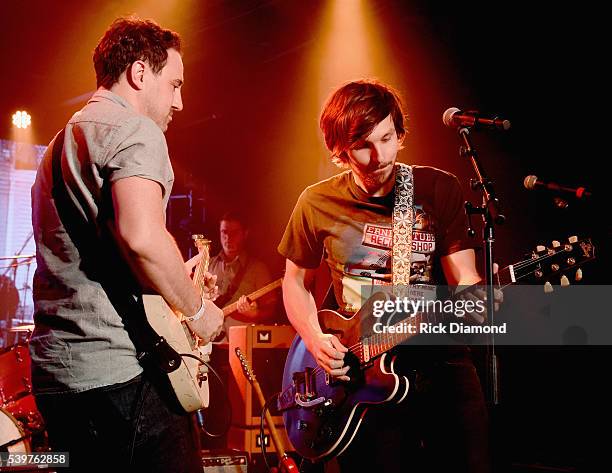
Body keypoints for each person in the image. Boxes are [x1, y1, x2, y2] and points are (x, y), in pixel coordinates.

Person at [30, 17, 224, 472]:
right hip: (122, 375)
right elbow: (141, 237)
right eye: (174, 84)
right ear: (139, 73)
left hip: (57, 378)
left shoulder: (59, 144)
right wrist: (197, 311)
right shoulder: (136, 130)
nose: (180, 101)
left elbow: (99, 251)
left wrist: (172, 276)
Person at [278, 79, 501, 472]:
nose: (378, 155)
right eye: (362, 145)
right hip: (359, 372)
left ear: (399, 133)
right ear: (340, 150)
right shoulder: (316, 202)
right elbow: (294, 281)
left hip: (440, 356)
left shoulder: (437, 188)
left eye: (386, 138)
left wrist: (482, 295)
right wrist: (314, 339)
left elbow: (465, 279)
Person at [208, 211, 278, 341]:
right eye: (224, 232)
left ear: (245, 234)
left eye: (234, 233)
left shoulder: (258, 269)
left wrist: (254, 314)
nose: (228, 238)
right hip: (208, 342)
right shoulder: (208, 265)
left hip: (242, 341)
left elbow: (270, 310)